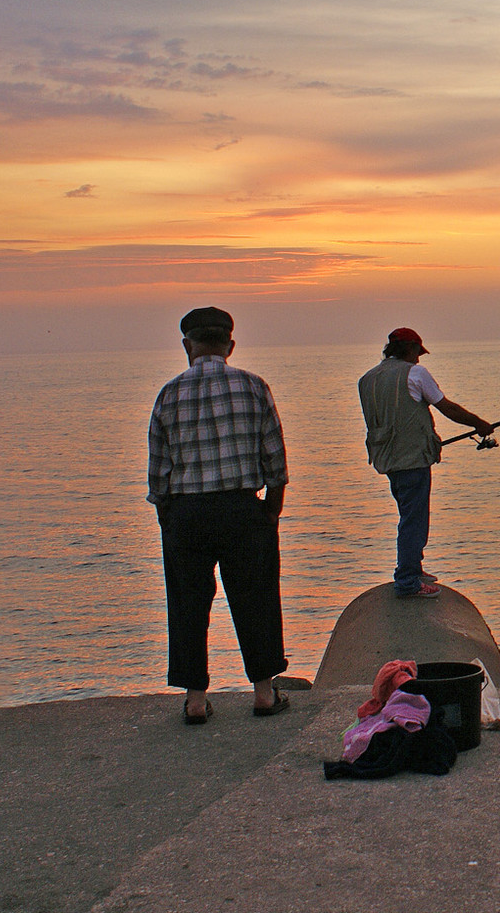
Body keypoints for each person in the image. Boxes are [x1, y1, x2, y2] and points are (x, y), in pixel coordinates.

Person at [147, 306, 291, 724]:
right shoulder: (253, 386)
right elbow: (275, 459)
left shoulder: (169, 394)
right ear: (230, 345)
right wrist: (271, 511)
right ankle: (264, 692)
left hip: (187, 512)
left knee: (188, 603)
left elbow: (159, 472)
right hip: (243, 507)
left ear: (186, 346)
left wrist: (167, 518)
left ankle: (195, 699)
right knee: (256, 597)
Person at [357, 327, 493, 597]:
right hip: (412, 459)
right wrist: (479, 424)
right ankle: (408, 581)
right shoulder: (415, 373)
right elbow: (448, 408)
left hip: (386, 458)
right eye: (418, 353)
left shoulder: (367, 379)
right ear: (409, 349)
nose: (419, 359)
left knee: (409, 513)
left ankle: (414, 568)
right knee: (413, 519)